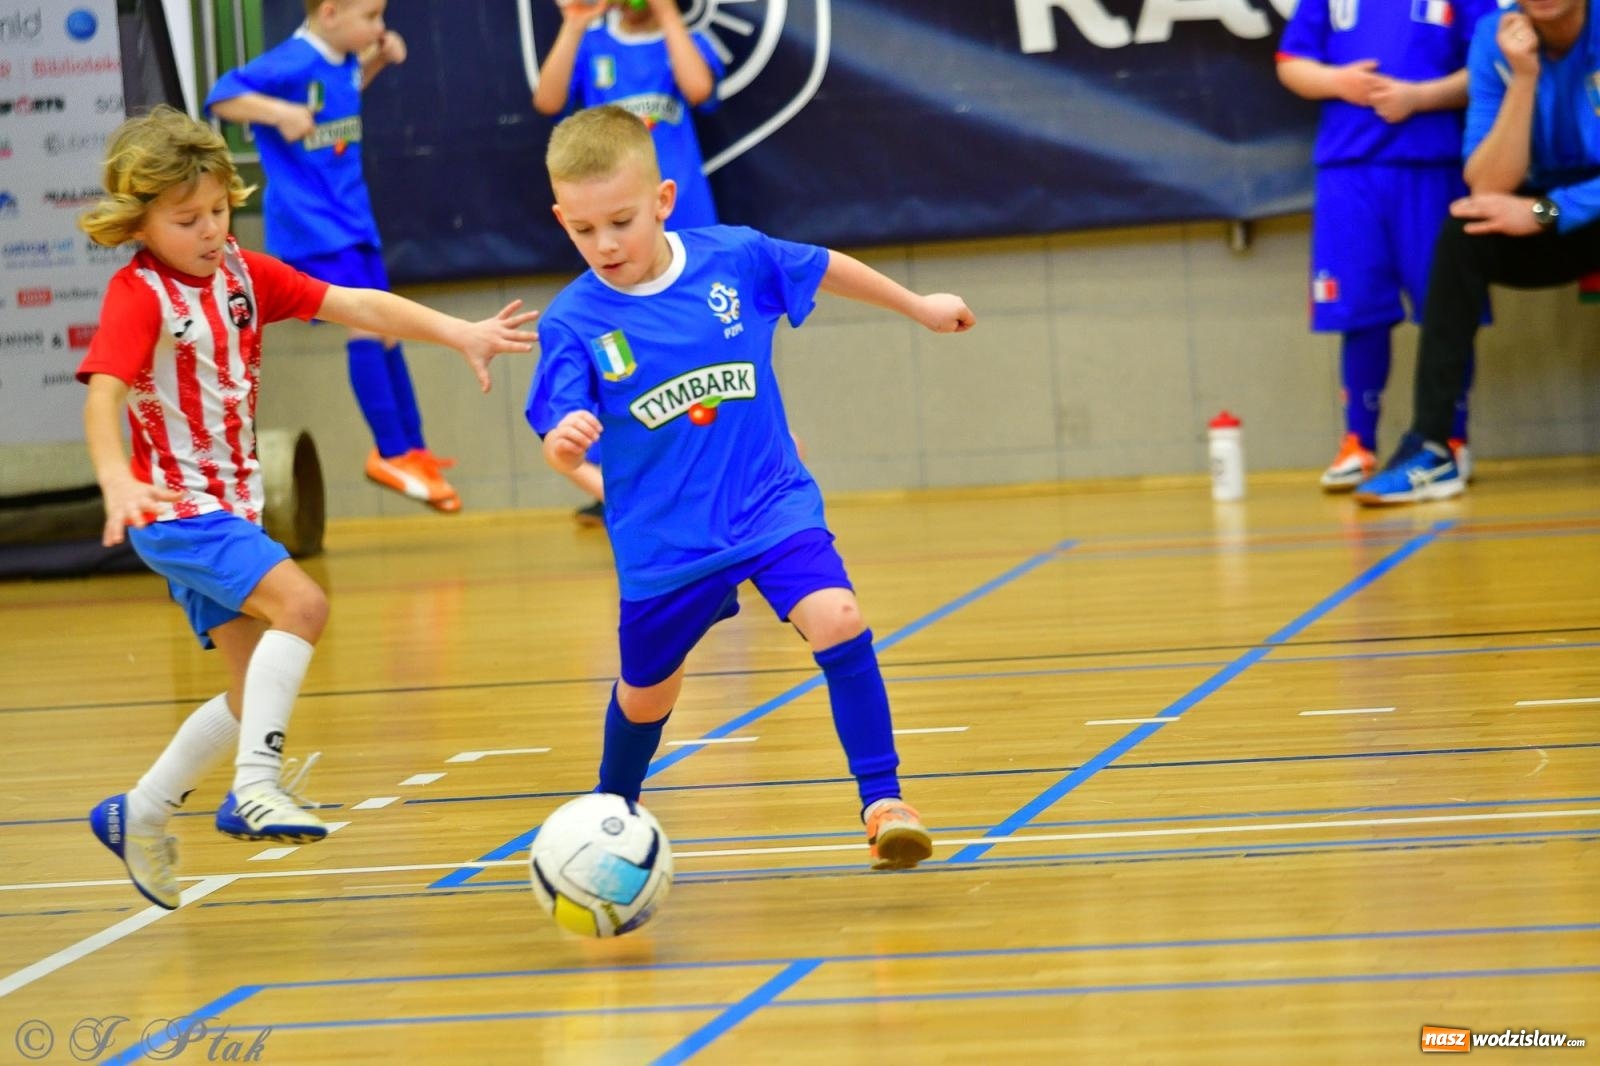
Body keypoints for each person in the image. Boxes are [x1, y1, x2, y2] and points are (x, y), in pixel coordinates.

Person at [77, 106, 536, 910]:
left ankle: (140, 810)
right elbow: (104, 394)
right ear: (139, 221)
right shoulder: (138, 294)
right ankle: (256, 789)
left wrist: (458, 332)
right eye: (188, 220)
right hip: (177, 509)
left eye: (220, 210)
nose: (212, 230)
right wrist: (115, 476)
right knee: (306, 603)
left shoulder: (246, 277)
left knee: (249, 687)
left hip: (232, 509)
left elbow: (360, 305)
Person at [527, 106, 974, 870]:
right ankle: (610, 814)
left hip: (769, 504)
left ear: (664, 200)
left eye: (622, 222)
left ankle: (884, 801)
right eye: (584, 230)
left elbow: (823, 265)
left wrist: (918, 306)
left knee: (837, 615)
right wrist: (564, 436)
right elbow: (558, 416)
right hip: (666, 541)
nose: (604, 245)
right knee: (646, 697)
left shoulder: (732, 259)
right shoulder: (573, 321)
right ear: (561, 218)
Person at [205, 0, 465, 511]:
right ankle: (390, 452)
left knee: (390, 328)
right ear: (328, 14)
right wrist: (278, 112)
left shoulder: (343, 60)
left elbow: (337, 102)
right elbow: (221, 96)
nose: (380, 27)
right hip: (315, 227)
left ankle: (413, 448)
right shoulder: (292, 61)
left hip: (353, 219)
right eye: (370, 17)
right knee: (367, 325)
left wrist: (375, 62)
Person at [1356, 0, 1600, 505]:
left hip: (1561, 211)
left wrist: (1545, 211)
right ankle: (1432, 448)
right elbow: (1488, 183)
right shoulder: (1496, 37)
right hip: (1543, 218)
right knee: (1465, 231)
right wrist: (1525, 77)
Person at [1277, 0, 1494, 492]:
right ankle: (1359, 441)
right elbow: (1292, 63)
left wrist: (1420, 97)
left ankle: (1450, 442)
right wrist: (1337, 82)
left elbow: (1490, 66)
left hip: (1431, 167)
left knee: (1448, 310)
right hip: (1348, 170)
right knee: (1358, 310)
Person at [533, 0, 724, 524]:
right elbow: (548, 99)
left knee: (697, 346)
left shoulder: (679, 40)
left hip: (680, 229)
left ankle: (713, 466)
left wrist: (666, 16)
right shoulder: (594, 43)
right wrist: (574, 22)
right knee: (618, 360)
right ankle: (618, 476)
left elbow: (700, 90)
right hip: (619, 246)